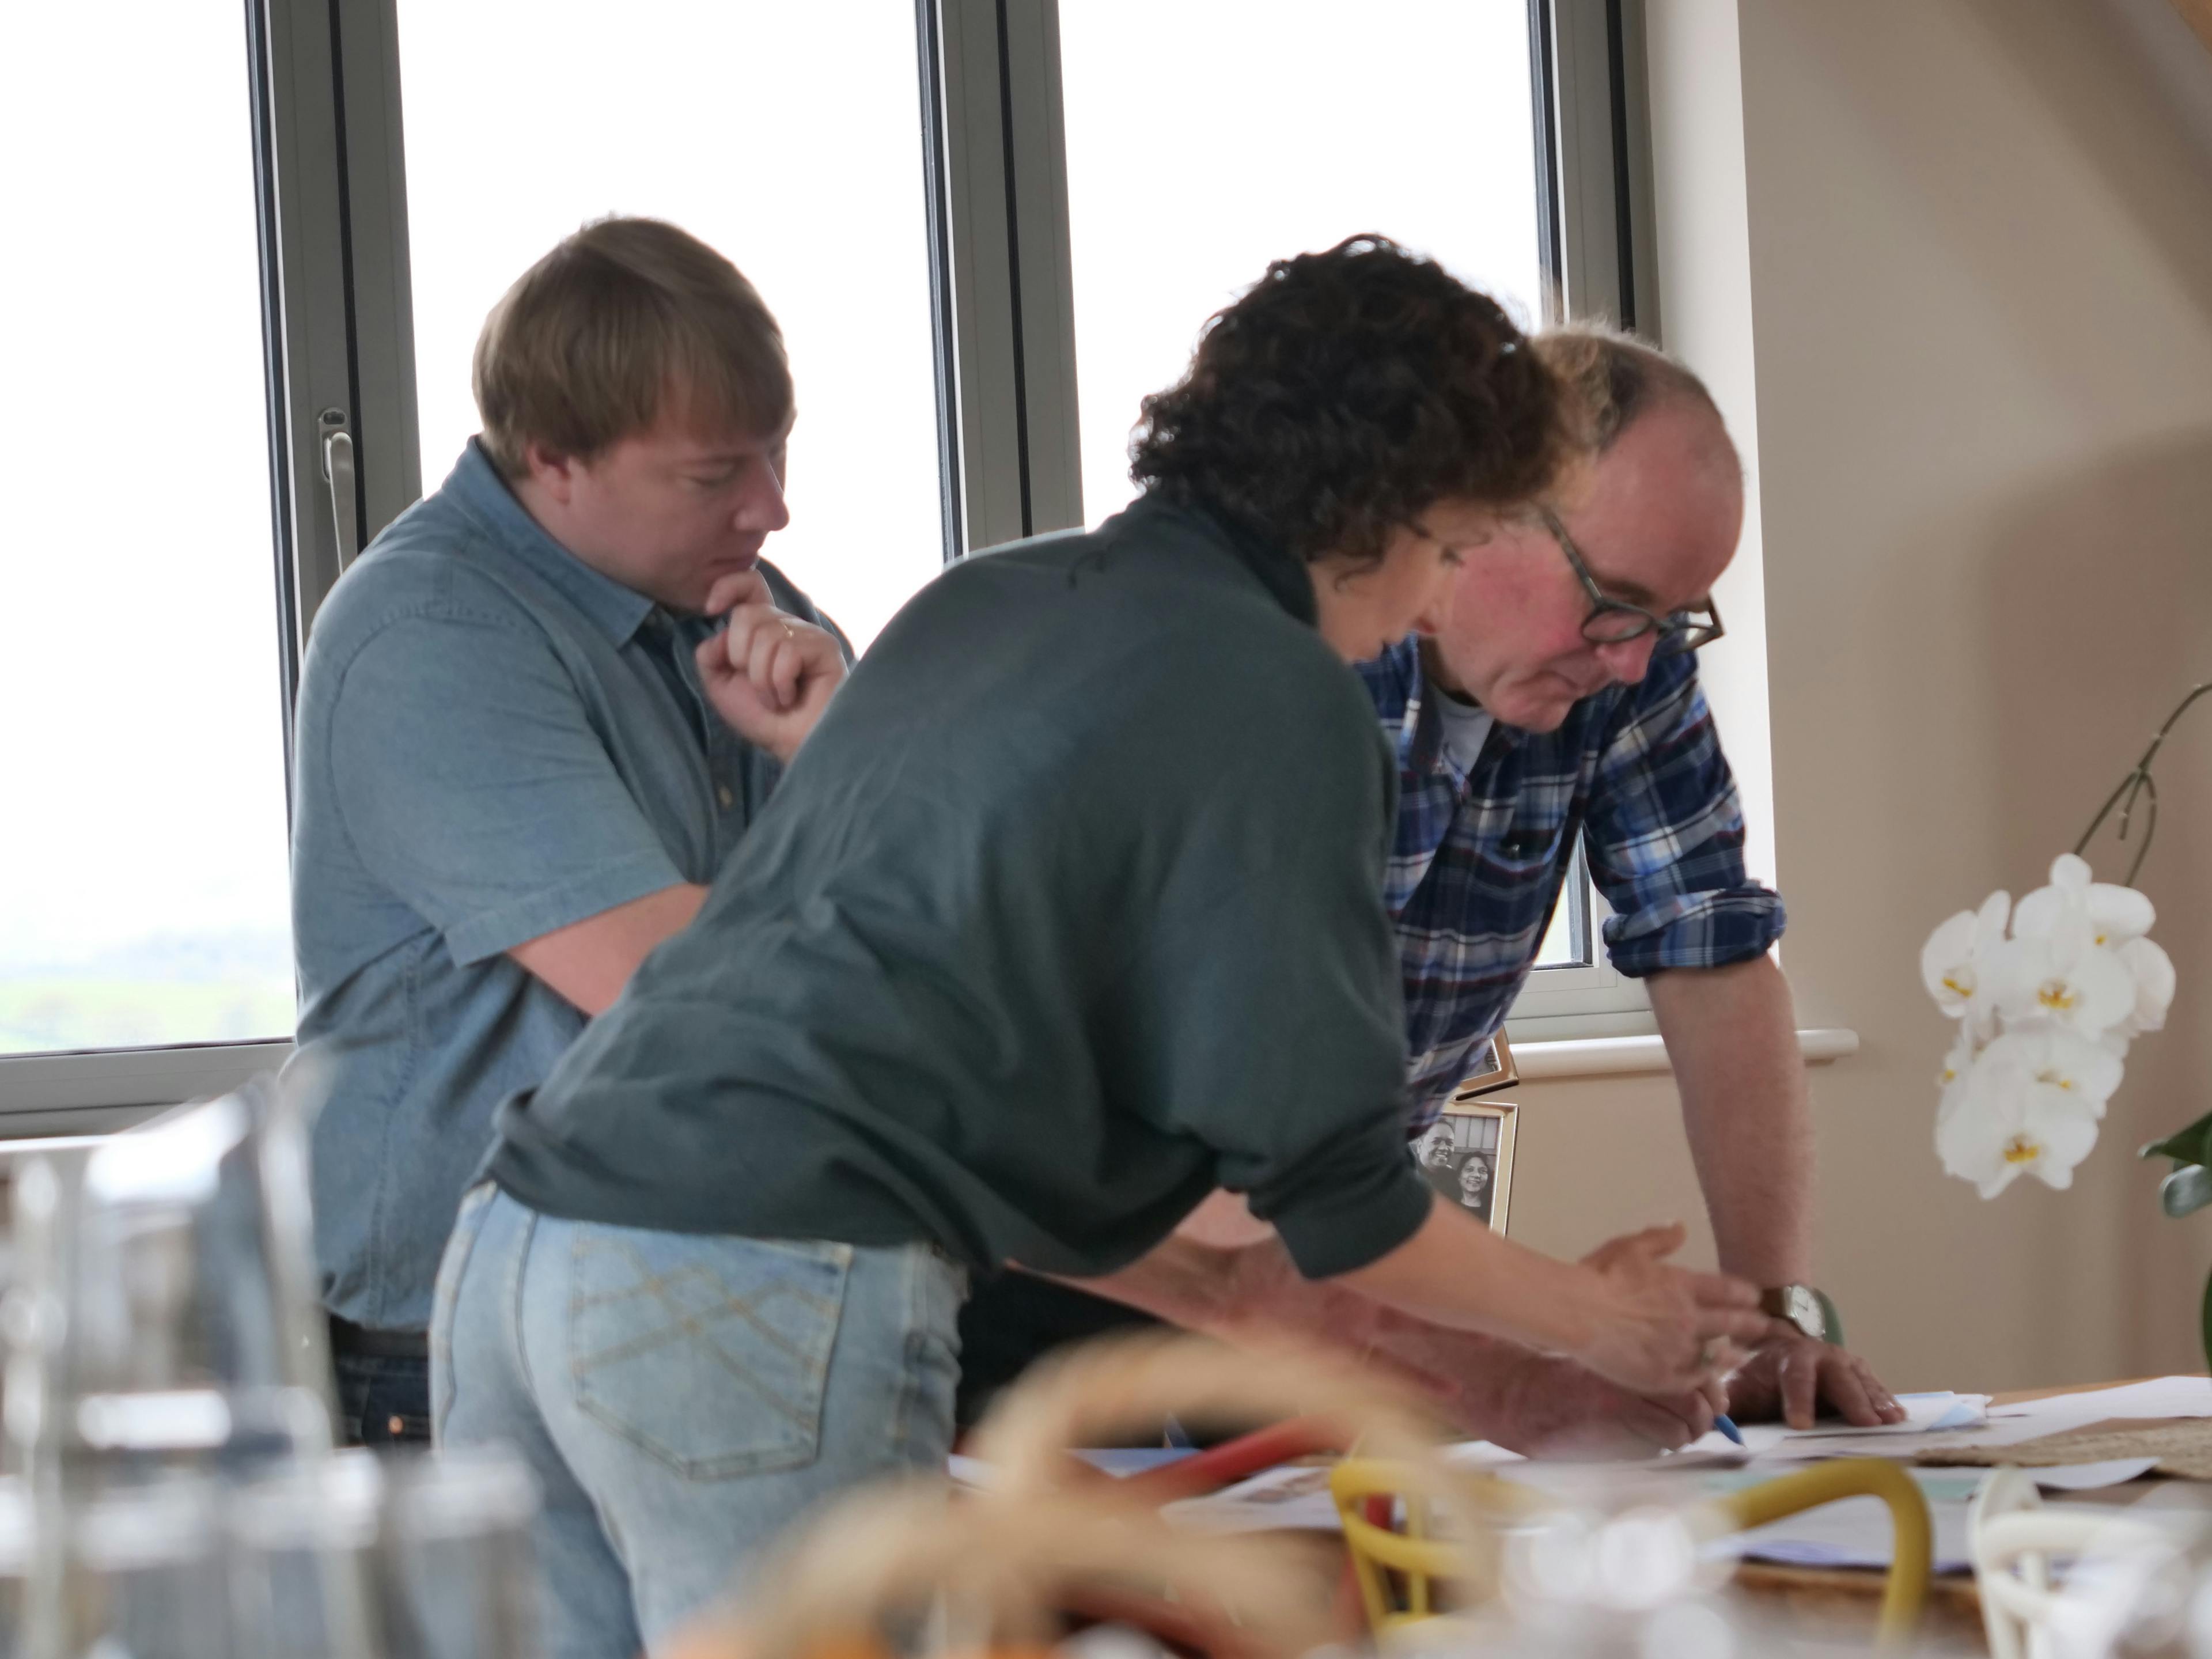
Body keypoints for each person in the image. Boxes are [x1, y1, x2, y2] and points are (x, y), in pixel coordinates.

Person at [431, 237, 1771, 1659]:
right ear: (1399, 511)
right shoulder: (1277, 692)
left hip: (524, 1249)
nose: (1432, 594)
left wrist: (1491, 1370)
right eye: (1449, 547)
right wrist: (1599, 1319)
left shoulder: (992, 599)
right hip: (754, 1274)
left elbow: (968, 1097)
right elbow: (1337, 1196)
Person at [999, 325, 1900, 1457]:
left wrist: (1775, 1315)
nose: (1632, 658)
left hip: (1300, 1264)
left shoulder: (1622, 669)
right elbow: (1198, 1140)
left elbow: (1712, 955)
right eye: (1612, 600)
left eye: (1669, 619)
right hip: (1045, 1253)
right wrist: (1519, 1370)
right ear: (1481, 511)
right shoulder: (1264, 655)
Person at [285, 217, 849, 1446]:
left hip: (676, 1298)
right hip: (445, 1358)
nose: (774, 509)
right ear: (555, 462)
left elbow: (923, 905)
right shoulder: (429, 634)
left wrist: (837, 749)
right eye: (715, 476)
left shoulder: (745, 607)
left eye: (775, 454)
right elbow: (677, 988)